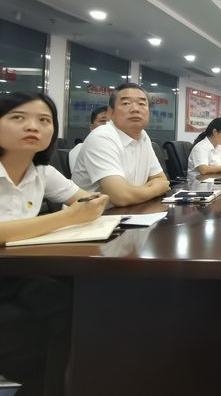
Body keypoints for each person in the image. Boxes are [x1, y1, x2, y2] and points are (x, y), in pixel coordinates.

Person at [0, 92, 109, 395]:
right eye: (18, 117)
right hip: (12, 276)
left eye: (44, 120)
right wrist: (68, 217)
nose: (33, 126)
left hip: (17, 273)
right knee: (59, 328)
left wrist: (91, 204)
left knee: (86, 300)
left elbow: (88, 200)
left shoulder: (42, 172)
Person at [71, 83, 171, 206]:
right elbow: (121, 197)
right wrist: (156, 189)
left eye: (141, 103)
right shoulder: (101, 137)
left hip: (130, 211)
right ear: (110, 113)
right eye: (126, 103)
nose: (135, 109)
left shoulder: (143, 136)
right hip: (94, 216)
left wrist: (134, 193)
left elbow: (160, 179)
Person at [67, 105, 109, 171]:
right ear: (91, 127)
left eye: (111, 122)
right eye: (103, 121)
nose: (107, 125)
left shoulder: (117, 148)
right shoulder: (80, 149)